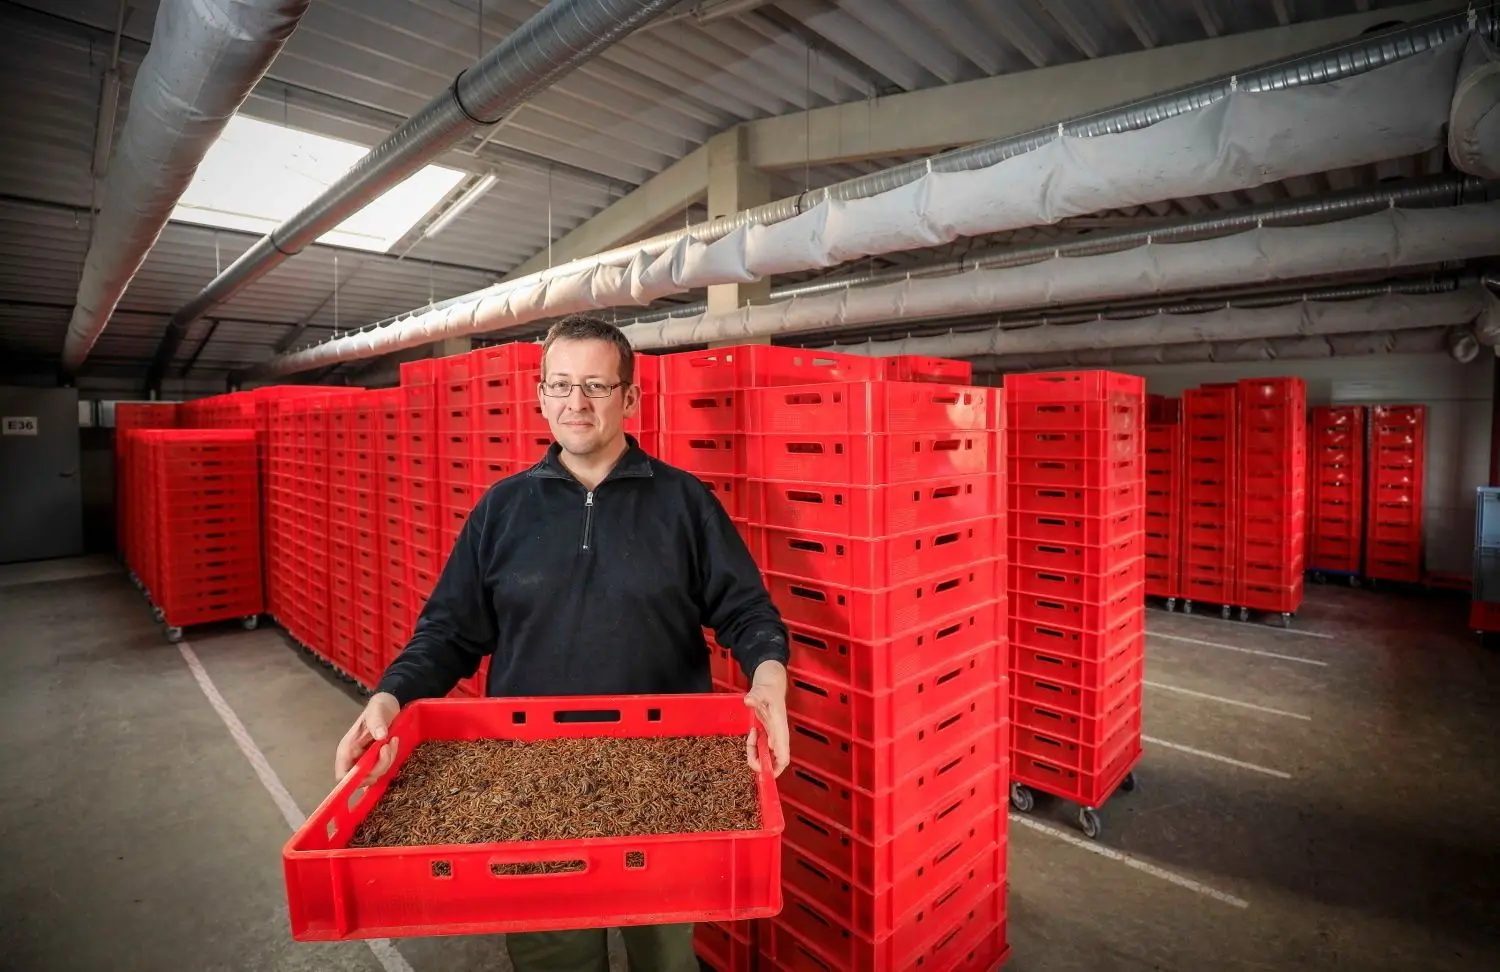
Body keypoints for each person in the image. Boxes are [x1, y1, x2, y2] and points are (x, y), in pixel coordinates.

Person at [333, 314, 791, 972]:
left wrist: (768, 677)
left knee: (663, 951)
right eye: (562, 385)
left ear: (630, 398)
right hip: (529, 777)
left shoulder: (684, 504)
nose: (577, 403)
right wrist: (392, 693)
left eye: (598, 387)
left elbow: (746, 610)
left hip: (660, 773)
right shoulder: (503, 509)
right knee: (554, 954)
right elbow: (449, 630)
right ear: (541, 394)